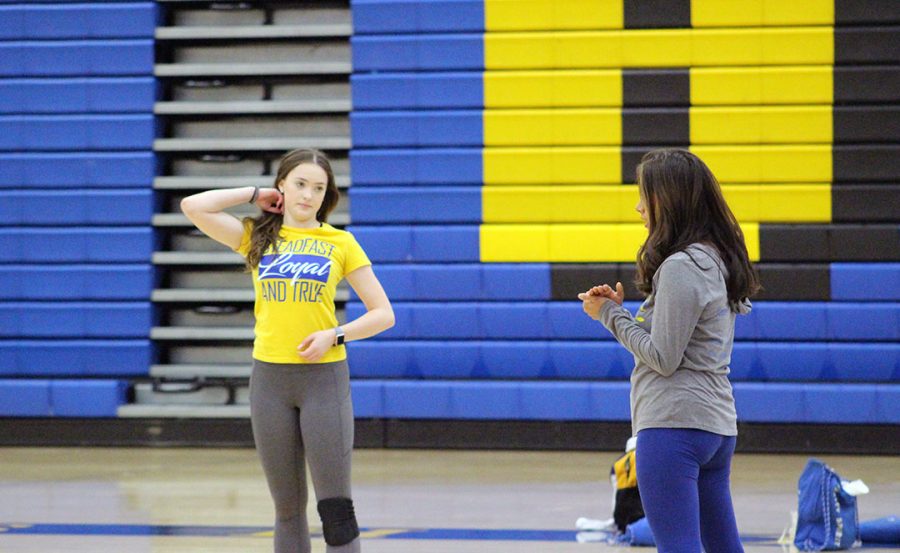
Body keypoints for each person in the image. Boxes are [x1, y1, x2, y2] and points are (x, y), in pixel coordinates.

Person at [181, 148, 394, 553]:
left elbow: (383, 314)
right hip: (270, 382)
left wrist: (336, 335)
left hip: (323, 380)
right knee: (287, 509)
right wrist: (254, 192)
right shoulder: (256, 238)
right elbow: (193, 205)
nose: (308, 195)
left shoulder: (340, 242)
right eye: (299, 184)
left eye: (318, 187)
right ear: (282, 186)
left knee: (335, 507)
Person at [578, 148, 759, 553]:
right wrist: (625, 313)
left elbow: (663, 357)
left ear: (670, 199)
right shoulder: (716, 258)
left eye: (646, 195)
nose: (639, 206)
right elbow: (685, 343)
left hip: (673, 425)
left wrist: (609, 314)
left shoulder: (682, 265)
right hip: (715, 427)